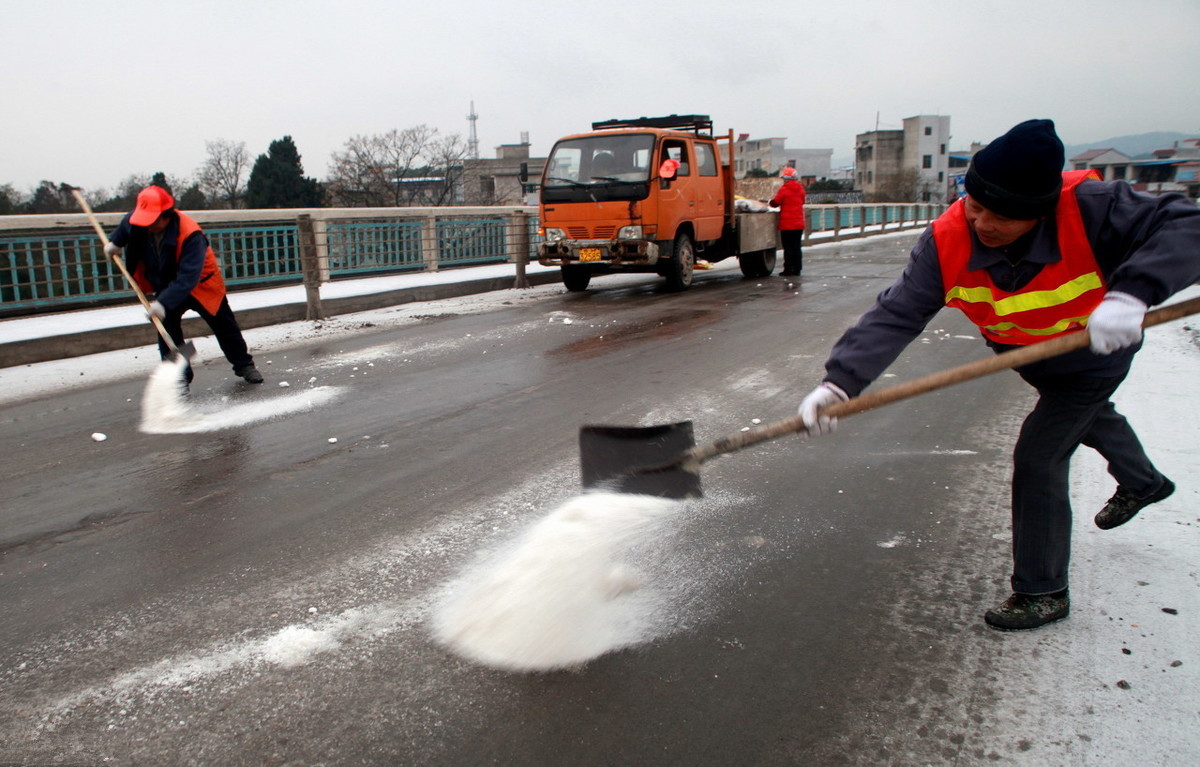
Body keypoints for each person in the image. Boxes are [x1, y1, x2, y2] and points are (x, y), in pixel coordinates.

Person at [797, 119, 1200, 631]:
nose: (983, 222)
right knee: (1089, 419)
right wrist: (840, 381)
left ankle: (1043, 590)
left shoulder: (1096, 208)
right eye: (976, 204)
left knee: (1040, 452)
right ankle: (1144, 483)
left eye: (1003, 215)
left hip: (1094, 356)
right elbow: (897, 314)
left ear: (1041, 211)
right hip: (1025, 355)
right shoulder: (945, 240)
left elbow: (1187, 224)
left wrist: (1133, 291)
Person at [105, 185, 263, 385]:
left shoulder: (191, 235)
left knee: (224, 325)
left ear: (166, 216)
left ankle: (244, 365)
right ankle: (178, 379)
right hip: (166, 282)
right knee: (167, 333)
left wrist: (163, 303)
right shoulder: (140, 220)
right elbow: (126, 226)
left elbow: (189, 277)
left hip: (201, 283)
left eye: (152, 221)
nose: (148, 226)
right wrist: (115, 244)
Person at [770, 166, 807, 277]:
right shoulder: (801, 189)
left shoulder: (784, 189)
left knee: (788, 248)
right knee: (796, 247)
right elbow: (802, 201)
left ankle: (788, 269)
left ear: (786, 178)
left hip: (787, 225)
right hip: (799, 224)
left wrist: (770, 202)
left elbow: (776, 202)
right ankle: (797, 269)